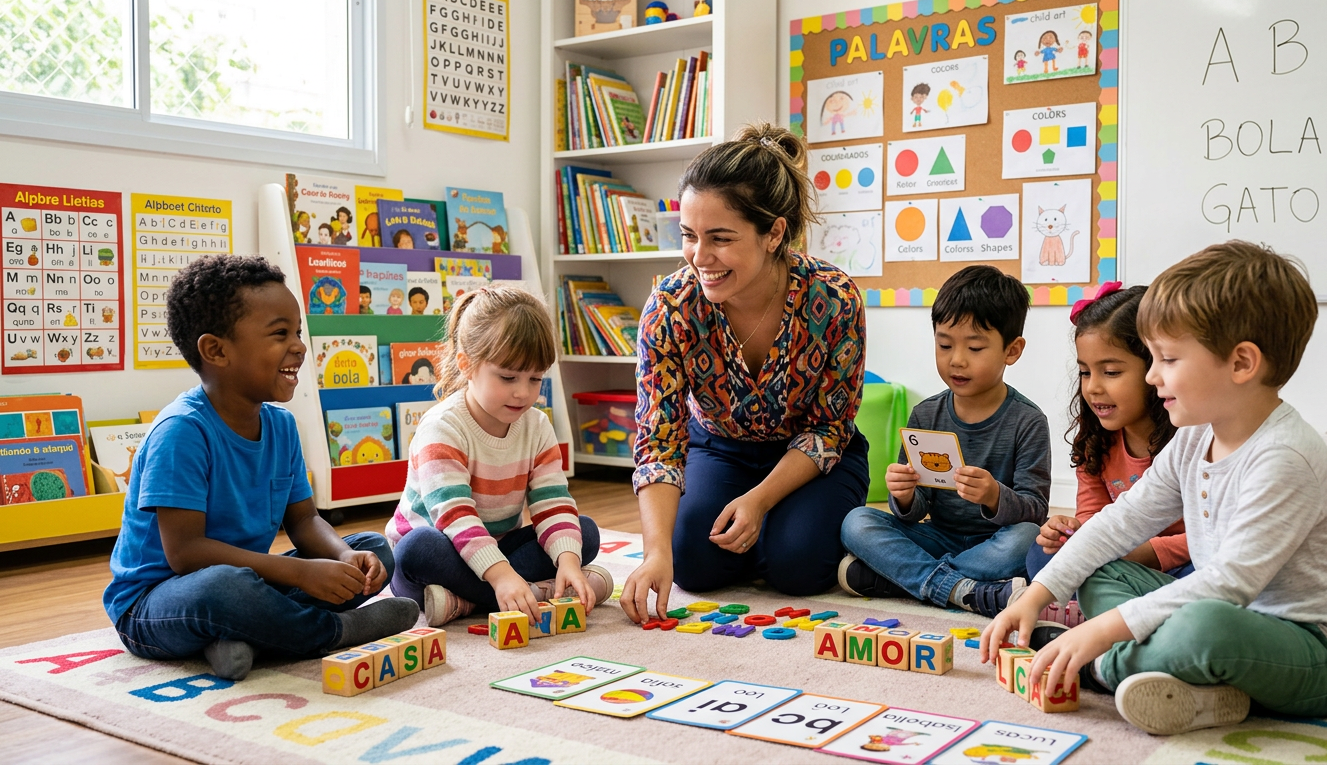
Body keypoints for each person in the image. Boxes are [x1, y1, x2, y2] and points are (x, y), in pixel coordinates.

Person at [982, 241, 1327, 736]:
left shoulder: (1285, 457)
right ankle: (1189, 683)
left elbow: (1228, 584)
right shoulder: (1196, 437)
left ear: (1241, 364)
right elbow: (1120, 520)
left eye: (1167, 359)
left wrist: (1101, 632)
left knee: (1205, 627)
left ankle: (1101, 667)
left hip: (1323, 656)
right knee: (1101, 570)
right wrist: (1036, 594)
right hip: (1234, 616)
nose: (1152, 376)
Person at [103, 255, 417, 681]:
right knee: (225, 590)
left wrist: (344, 557)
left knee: (374, 549)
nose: (300, 347)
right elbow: (186, 554)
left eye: (298, 333)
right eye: (279, 334)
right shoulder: (181, 432)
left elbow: (304, 520)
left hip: (250, 580)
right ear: (216, 350)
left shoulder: (283, 426)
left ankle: (242, 637)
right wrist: (299, 572)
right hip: (158, 603)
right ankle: (333, 632)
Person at [622, 122, 870, 623]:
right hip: (719, 447)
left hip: (813, 454)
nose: (699, 258)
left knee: (798, 567)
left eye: (720, 239)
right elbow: (659, 436)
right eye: (689, 237)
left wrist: (758, 502)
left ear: (774, 233)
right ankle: (774, 537)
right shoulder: (671, 305)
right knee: (689, 560)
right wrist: (655, 552)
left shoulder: (835, 297)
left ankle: (789, 534)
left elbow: (829, 427)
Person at [387, 286, 612, 627]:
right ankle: (529, 593)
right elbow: (455, 517)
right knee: (416, 548)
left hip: (498, 550)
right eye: (508, 377)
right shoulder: (442, 427)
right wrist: (501, 575)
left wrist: (567, 561)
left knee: (583, 534)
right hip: (440, 551)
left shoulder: (536, 424)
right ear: (467, 365)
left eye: (535, 378)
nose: (523, 392)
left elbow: (553, 501)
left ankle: (464, 601)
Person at [838, 265, 1049, 618]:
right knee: (856, 521)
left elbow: (1035, 509)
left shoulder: (1027, 421)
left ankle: (904, 579)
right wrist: (904, 495)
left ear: (1011, 351)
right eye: (944, 344)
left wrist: (995, 496)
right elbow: (916, 509)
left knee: (1027, 538)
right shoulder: (926, 414)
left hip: (994, 543)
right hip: (937, 535)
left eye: (976, 347)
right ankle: (965, 589)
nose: (957, 360)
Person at [1026, 283, 1184, 603]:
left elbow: (1214, 535)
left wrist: (1150, 553)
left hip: (1179, 563)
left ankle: (1110, 612)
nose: (1093, 387)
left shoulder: (1190, 440)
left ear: (1156, 369)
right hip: (1116, 555)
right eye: (1085, 372)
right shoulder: (1095, 441)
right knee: (1039, 554)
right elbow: (1093, 514)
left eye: (1110, 372)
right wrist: (1070, 528)